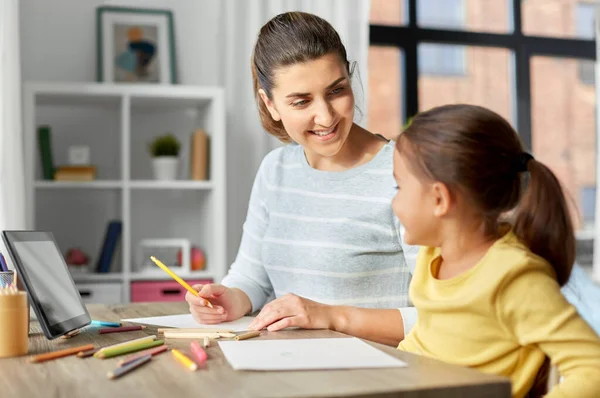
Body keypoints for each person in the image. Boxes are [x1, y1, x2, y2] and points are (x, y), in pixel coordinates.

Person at [185, 11, 419, 346]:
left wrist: (331, 316)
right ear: (271, 104)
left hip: (379, 372)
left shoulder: (405, 171)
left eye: (337, 91)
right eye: (301, 101)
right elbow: (252, 277)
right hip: (289, 366)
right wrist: (228, 300)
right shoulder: (275, 170)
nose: (325, 116)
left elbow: (440, 315)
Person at [393, 104, 600, 397]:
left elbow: (593, 368)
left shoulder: (513, 277)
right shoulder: (433, 258)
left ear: (439, 199)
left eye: (398, 186)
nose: (394, 202)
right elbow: (425, 343)